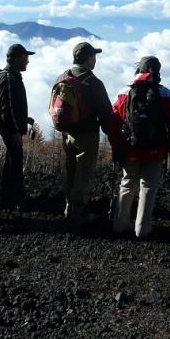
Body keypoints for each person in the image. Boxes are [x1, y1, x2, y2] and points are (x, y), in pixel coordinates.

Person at [111, 56, 170, 239]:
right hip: (155, 150)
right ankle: (142, 228)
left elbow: (113, 121)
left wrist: (116, 145)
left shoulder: (124, 93)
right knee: (148, 186)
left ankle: (120, 224)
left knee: (127, 183)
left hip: (129, 149)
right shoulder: (166, 94)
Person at [55, 42, 119, 225]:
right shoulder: (93, 82)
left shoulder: (62, 77)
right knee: (83, 171)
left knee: (70, 169)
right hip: (86, 135)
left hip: (66, 133)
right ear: (89, 59)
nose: (95, 60)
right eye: (94, 57)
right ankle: (78, 211)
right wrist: (114, 137)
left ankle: (68, 207)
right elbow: (106, 113)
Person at [0, 44, 34, 210]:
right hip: (10, 128)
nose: (28, 61)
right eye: (26, 58)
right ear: (17, 58)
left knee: (12, 160)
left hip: (12, 126)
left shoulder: (11, 76)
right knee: (15, 161)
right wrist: (15, 131)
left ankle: (8, 196)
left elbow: (11, 106)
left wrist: (25, 119)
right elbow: (7, 108)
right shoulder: (8, 78)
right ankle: (16, 199)